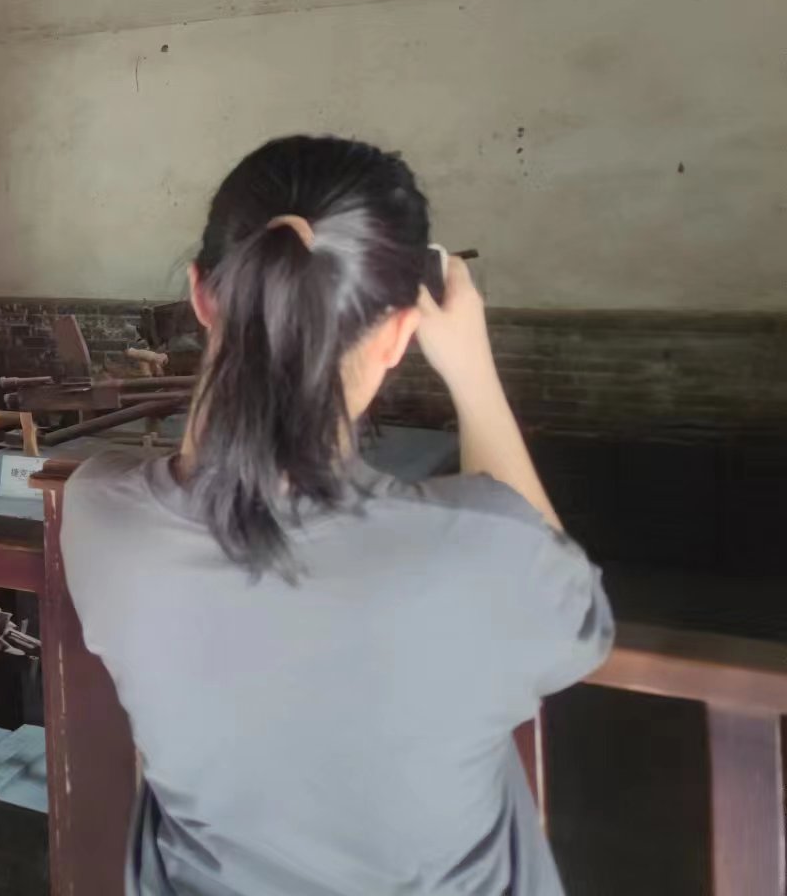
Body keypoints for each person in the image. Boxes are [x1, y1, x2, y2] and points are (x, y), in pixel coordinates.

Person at [62, 135, 613, 896]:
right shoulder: (483, 552)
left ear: (201, 296)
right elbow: (572, 617)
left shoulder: (99, 515)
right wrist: (472, 372)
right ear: (399, 334)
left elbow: (208, 471)